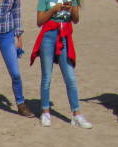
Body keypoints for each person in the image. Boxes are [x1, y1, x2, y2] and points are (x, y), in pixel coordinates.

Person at [31, 0, 92, 128]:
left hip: (65, 36)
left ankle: (76, 114)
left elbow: (76, 20)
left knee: (70, 77)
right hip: (48, 36)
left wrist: (71, 9)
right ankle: (45, 112)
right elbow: (39, 21)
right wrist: (53, 10)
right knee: (47, 77)